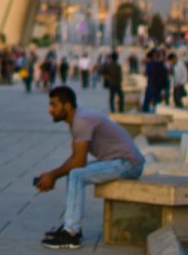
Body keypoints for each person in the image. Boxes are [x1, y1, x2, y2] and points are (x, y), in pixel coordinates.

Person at [34, 86, 144, 250]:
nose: (50, 110)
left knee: (76, 174)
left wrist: (52, 176)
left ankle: (71, 233)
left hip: (129, 164)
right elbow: (75, 158)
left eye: (54, 105)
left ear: (67, 106)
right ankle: (71, 226)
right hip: (119, 162)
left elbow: (79, 161)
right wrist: (52, 175)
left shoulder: (81, 121)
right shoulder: (77, 120)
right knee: (73, 173)